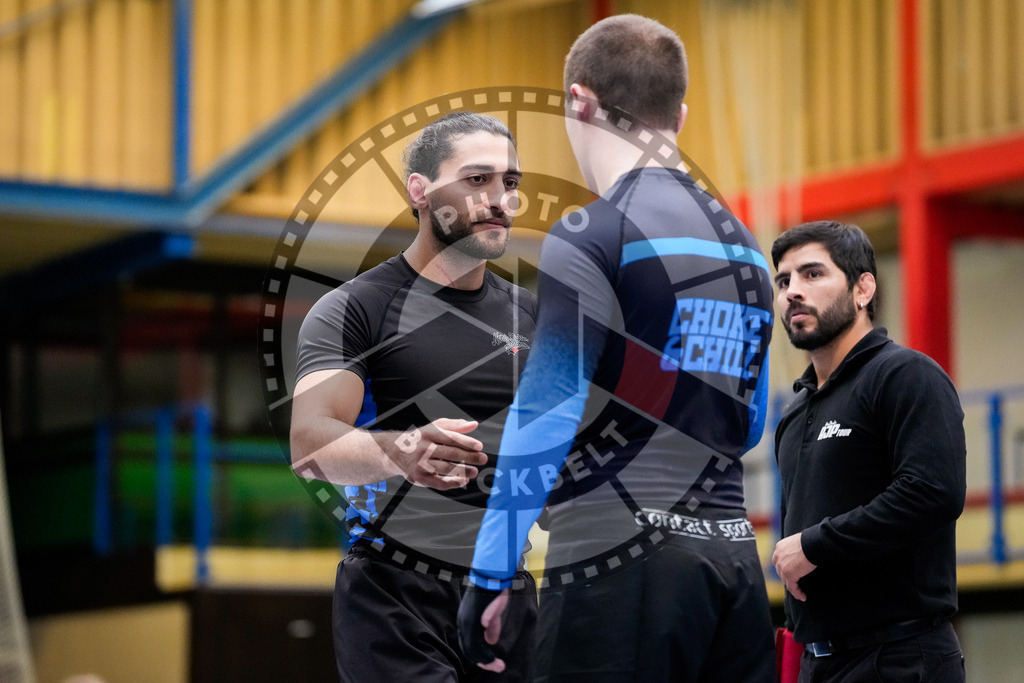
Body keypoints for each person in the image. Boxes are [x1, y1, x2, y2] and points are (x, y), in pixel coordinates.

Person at [458, 14, 777, 682]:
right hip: (731, 562)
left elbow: (545, 416)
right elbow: (749, 423)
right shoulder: (745, 246)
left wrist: (493, 568)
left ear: (579, 101)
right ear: (679, 116)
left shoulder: (594, 235)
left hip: (618, 558)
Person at [290, 111, 539, 682]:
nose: (499, 198)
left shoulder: (534, 316)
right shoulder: (356, 308)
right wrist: (400, 452)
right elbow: (309, 443)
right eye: (476, 179)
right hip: (393, 589)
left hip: (507, 592)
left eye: (510, 182)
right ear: (420, 190)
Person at [769, 220, 966, 682]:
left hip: (899, 658)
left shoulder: (906, 375)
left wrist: (814, 545)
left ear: (863, 289)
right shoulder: (794, 414)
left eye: (812, 274)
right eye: (783, 281)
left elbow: (932, 492)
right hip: (817, 662)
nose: (793, 291)